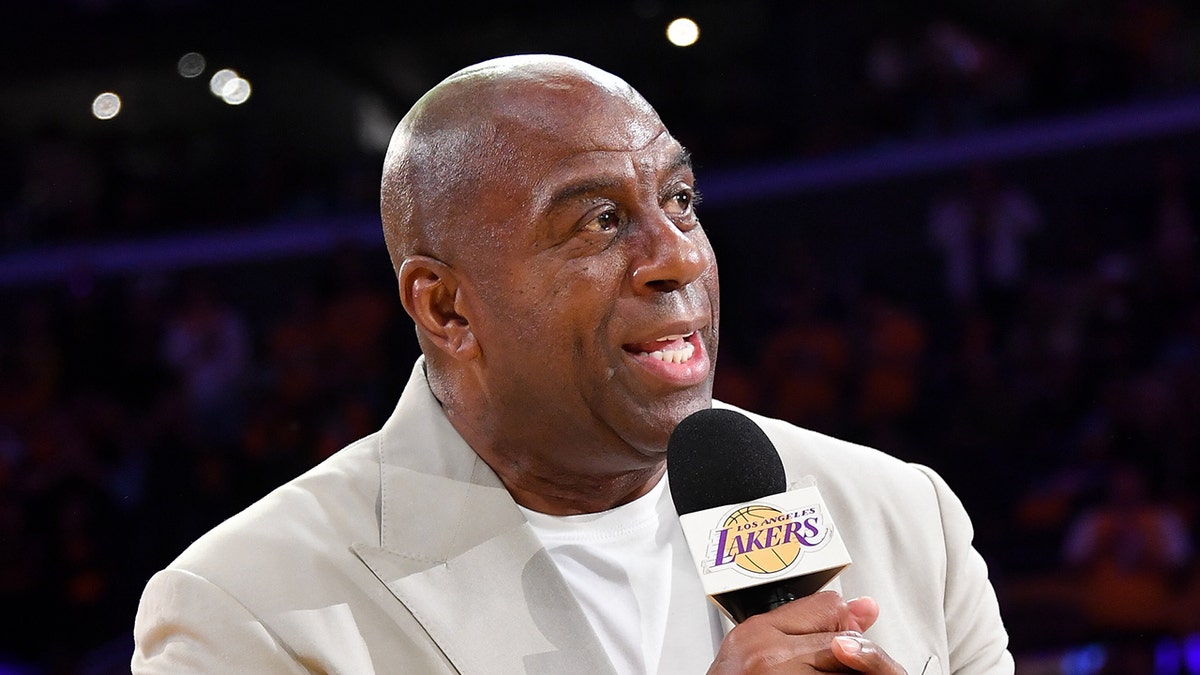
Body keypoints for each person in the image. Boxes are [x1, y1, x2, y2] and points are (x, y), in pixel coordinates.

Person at [132, 54, 1013, 674]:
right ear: (446, 307)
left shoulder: (906, 517)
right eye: (598, 220)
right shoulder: (245, 605)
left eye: (678, 199)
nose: (679, 255)